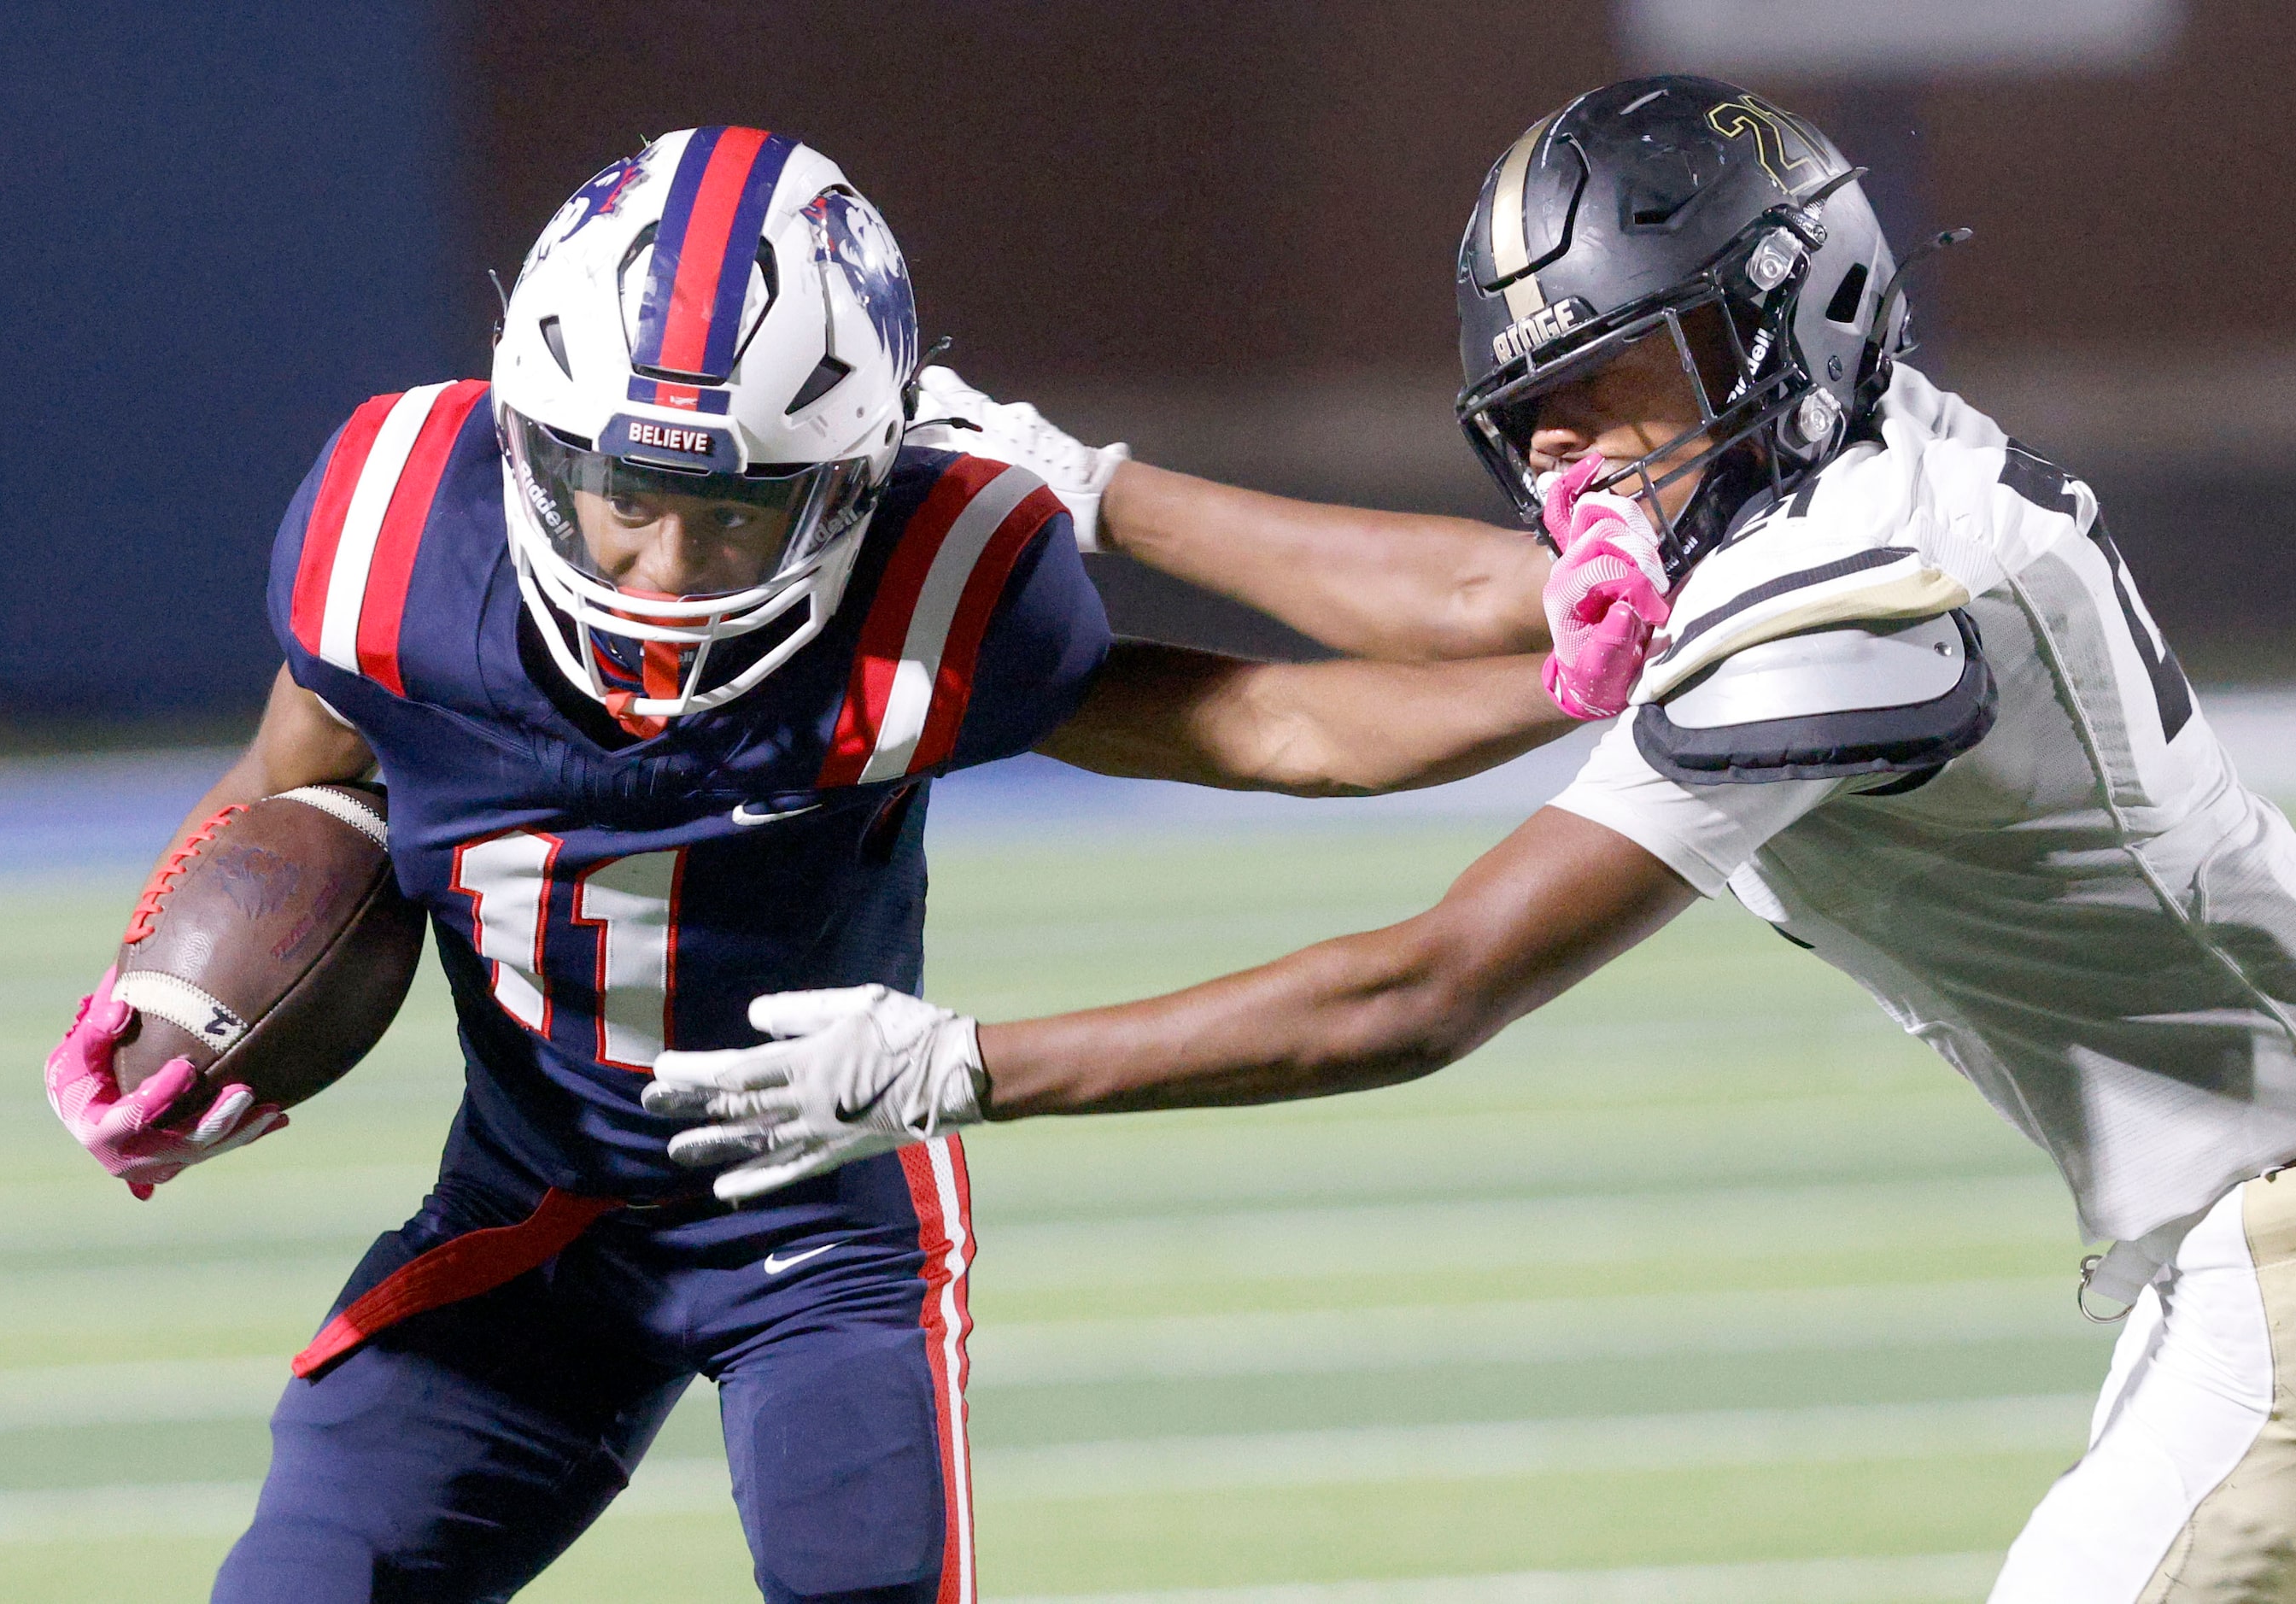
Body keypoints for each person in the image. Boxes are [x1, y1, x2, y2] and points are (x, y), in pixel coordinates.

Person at [653, 79, 2296, 1601]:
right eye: (1544, 409)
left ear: (1787, 325)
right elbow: (1461, 601)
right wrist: (1088, 486)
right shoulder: (1832, 469)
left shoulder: (1855, 598)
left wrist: (964, 1065)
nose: (1574, 451)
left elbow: (1422, 989)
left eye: (1618, 382)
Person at [39, 127, 1588, 1603]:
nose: (659, 567)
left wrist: (1583, 676)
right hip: (526, 1205)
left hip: (821, 1220)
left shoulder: (931, 579)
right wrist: (155, 998)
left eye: (729, 516)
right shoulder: (390, 532)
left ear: (851, 479)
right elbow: (287, 789)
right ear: (529, 442)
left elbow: (1287, 728)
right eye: (625, 494)